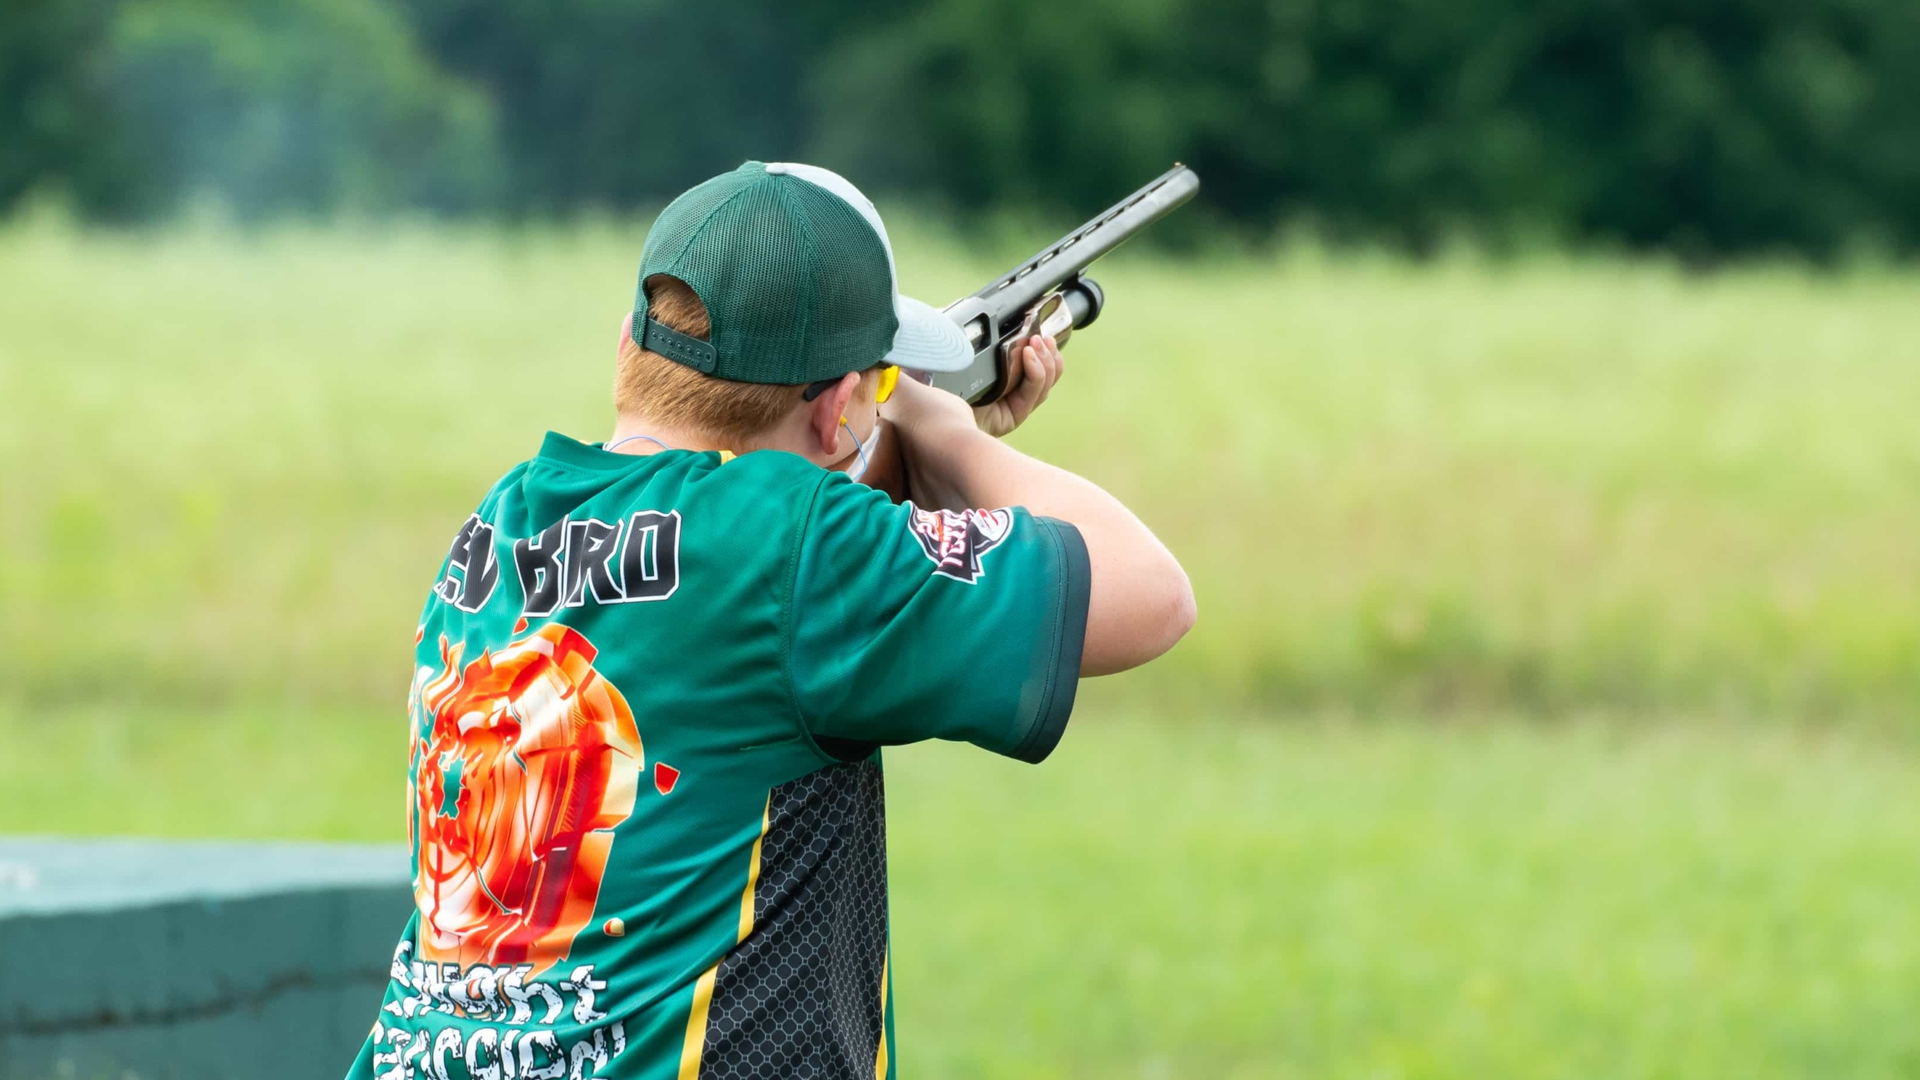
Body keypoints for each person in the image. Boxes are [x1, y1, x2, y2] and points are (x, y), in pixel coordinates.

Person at [347, 161, 1194, 1080]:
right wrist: (940, 426)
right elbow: (1151, 595)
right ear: (839, 410)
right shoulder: (798, 546)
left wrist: (884, 445)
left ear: (629, 342)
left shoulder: (505, 519)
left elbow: (719, 600)